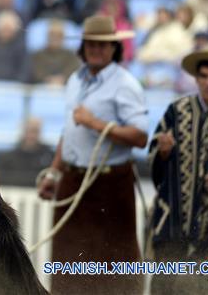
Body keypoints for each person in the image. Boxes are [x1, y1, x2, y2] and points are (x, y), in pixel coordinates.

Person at [37, 15, 148, 295]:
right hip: (73, 180)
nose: (96, 49)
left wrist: (94, 123)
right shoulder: (75, 79)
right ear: (83, 47)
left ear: (114, 48)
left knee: (114, 261)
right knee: (67, 259)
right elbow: (69, 131)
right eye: (91, 44)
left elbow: (140, 136)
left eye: (103, 45)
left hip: (110, 185)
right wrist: (54, 171)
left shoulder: (126, 84)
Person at [148, 49, 208, 295]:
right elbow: (153, 153)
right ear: (196, 79)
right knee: (164, 286)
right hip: (172, 219)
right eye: (203, 76)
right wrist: (162, 151)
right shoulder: (176, 111)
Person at [28, 19, 80, 84]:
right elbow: (36, 73)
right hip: (41, 88)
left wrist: (62, 79)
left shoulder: (71, 56)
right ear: (47, 36)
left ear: (63, 37)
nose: (55, 38)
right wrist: (49, 80)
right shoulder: (38, 55)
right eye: (52, 35)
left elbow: (73, 71)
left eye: (58, 36)